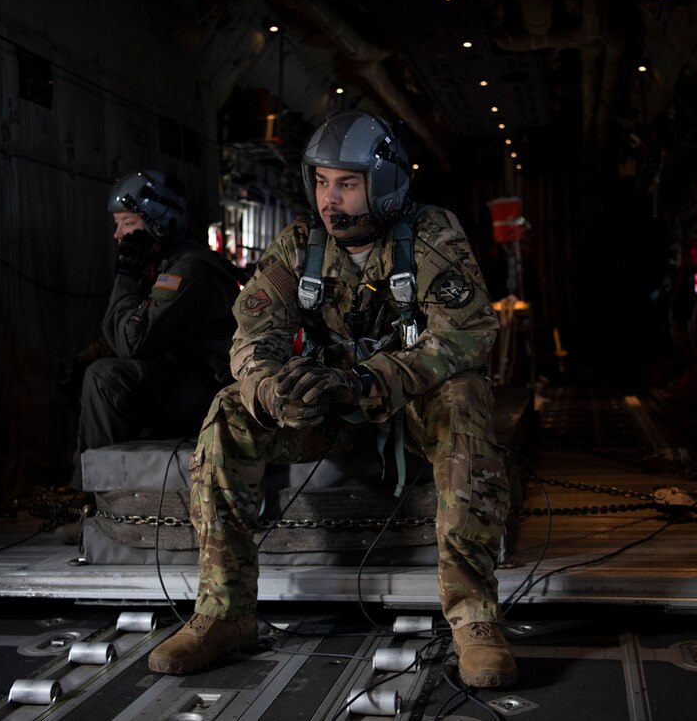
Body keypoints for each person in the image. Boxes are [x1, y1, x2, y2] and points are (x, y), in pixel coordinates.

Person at [147, 111, 516, 688]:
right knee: (229, 412)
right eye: (321, 182)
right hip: (330, 408)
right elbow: (252, 339)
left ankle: (474, 618)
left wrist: (371, 380)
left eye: (346, 183)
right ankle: (225, 612)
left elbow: (466, 332)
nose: (329, 199)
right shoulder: (300, 246)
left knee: (464, 397)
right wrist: (272, 392)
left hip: (410, 404)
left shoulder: (430, 234)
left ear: (385, 182)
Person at [71, 170, 243, 460]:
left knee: (105, 379)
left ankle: (104, 483)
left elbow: (132, 342)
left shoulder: (187, 272)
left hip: (220, 392)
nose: (118, 234)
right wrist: (86, 356)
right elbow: (140, 320)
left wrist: (125, 278)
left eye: (128, 223)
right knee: (94, 370)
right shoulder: (166, 264)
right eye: (117, 224)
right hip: (196, 380)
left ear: (159, 224)